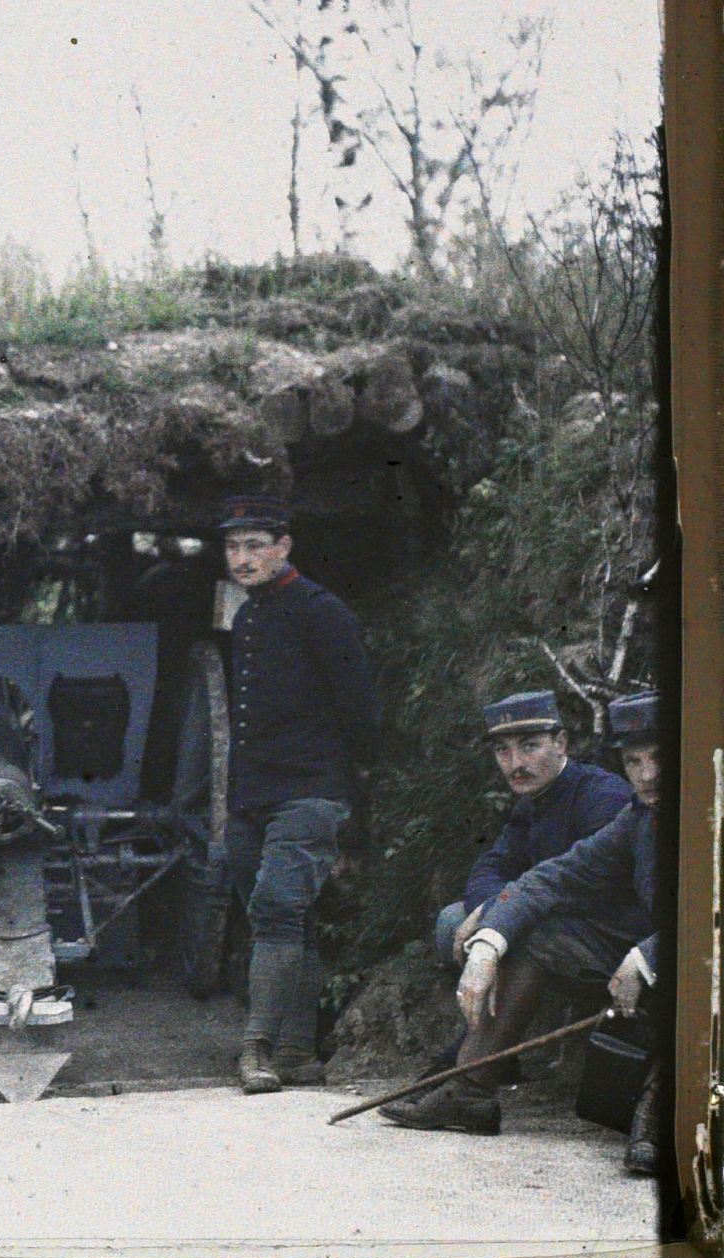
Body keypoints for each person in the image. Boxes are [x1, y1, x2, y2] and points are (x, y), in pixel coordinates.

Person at [387, 690, 663, 1153]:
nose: (648, 774)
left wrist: (648, 954)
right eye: (634, 761)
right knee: (490, 929)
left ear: (562, 743)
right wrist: (490, 940)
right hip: (633, 957)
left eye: (660, 758)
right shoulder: (639, 814)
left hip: (674, 957)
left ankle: (663, 1109)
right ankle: (471, 1088)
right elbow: (550, 875)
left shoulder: (612, 799)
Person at [217, 493, 380, 1094]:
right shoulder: (247, 617)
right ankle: (297, 1050)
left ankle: (254, 1050)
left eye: (255, 546)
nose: (242, 558)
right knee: (292, 919)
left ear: (284, 547)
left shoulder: (321, 611)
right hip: (252, 796)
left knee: (278, 911)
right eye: (233, 547)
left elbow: (360, 705)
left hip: (310, 789)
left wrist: (351, 783)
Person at [420, 688, 642, 1076]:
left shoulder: (601, 797)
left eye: (529, 746)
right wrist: (494, 911)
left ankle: (476, 1061)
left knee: (512, 933)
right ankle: (493, 1050)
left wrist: (504, 917)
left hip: (615, 939)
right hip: (558, 920)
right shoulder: (534, 799)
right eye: (502, 751)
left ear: (561, 743)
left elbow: (591, 892)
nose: (515, 764)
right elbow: (490, 867)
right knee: (453, 922)